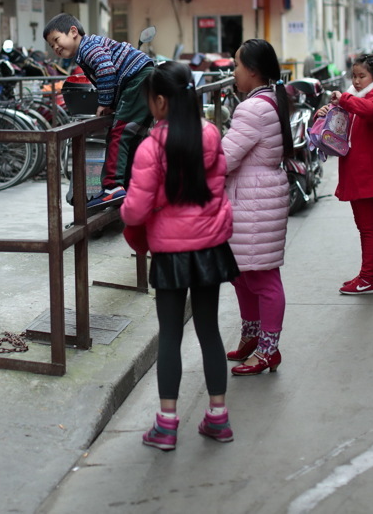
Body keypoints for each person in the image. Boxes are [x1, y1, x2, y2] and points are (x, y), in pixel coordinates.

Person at [120, 61, 239, 451]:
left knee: (170, 335)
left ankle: (166, 425)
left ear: (159, 101)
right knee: (209, 331)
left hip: (171, 253)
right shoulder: (210, 134)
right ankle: (218, 418)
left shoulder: (151, 147)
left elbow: (135, 211)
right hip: (209, 249)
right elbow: (220, 187)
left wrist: (130, 222)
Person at [220, 39, 291, 375]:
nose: (232, 72)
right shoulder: (270, 99)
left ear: (251, 70)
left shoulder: (252, 108)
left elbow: (224, 158)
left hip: (254, 200)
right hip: (256, 197)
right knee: (242, 275)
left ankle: (267, 350)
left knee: (262, 277)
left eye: (235, 65)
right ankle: (252, 336)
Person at [43, 13, 153, 211]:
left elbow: (106, 70)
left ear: (73, 32)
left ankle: (112, 186)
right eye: (52, 46)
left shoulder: (88, 48)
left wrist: (104, 102)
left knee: (120, 133)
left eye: (57, 40)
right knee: (134, 135)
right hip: (143, 78)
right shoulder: (87, 49)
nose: (56, 48)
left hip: (137, 79)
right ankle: (131, 185)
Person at [315, 54, 373, 295]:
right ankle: (367, 274)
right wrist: (329, 111)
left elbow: (371, 110)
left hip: (368, 170)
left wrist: (345, 99)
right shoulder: (358, 96)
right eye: (354, 76)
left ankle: (369, 278)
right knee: (364, 227)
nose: (357, 81)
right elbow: (348, 118)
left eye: (362, 76)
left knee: (370, 227)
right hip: (357, 169)